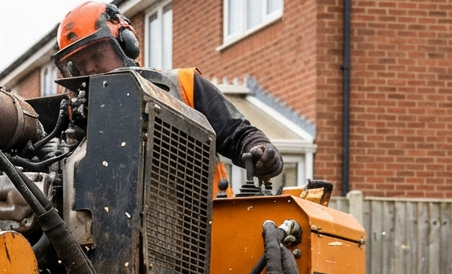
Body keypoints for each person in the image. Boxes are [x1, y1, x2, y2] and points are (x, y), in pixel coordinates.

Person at [54, 1, 284, 186]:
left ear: (126, 44)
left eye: (97, 55)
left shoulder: (182, 85)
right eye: (80, 64)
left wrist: (261, 153)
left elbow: (238, 134)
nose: (90, 68)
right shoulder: (74, 116)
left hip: (205, 229)